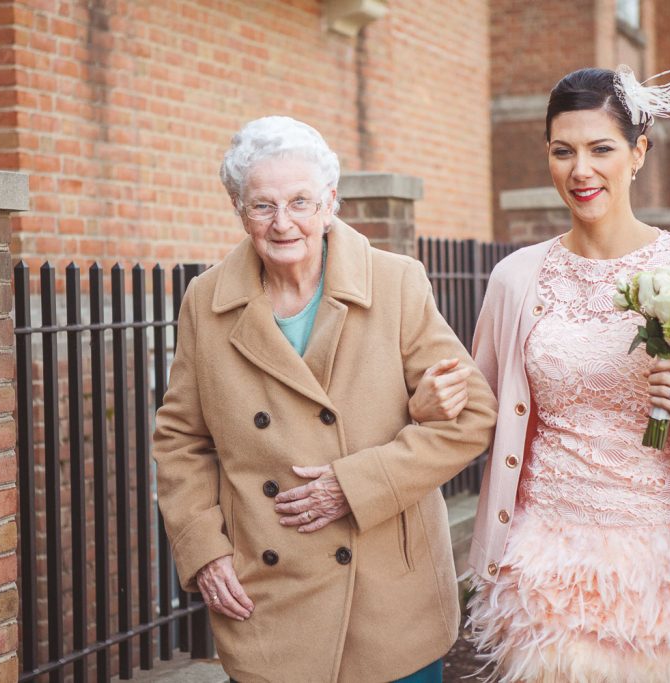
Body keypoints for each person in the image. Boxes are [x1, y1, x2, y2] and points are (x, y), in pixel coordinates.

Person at [450, 67, 670, 681]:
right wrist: (433, 398)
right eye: (562, 151)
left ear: (638, 153)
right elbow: (479, 414)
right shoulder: (516, 278)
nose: (581, 171)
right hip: (545, 565)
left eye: (601, 149)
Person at [152, 115, 498, 683]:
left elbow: (474, 416)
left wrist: (355, 485)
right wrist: (203, 549)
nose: (283, 222)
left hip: (390, 594)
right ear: (239, 210)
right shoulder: (206, 300)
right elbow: (180, 439)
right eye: (263, 206)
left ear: (330, 203)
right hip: (268, 593)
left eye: (300, 202)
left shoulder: (396, 283)